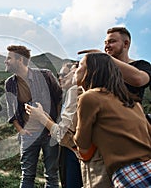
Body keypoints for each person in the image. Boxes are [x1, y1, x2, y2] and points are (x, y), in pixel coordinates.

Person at [26, 53, 151, 187]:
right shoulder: (131, 101)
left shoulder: (86, 96)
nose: (75, 70)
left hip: (113, 174)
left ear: (91, 71)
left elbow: (78, 143)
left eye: (79, 66)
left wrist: (42, 118)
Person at [4, 45, 62, 188]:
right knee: (27, 176)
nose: (5, 61)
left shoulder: (45, 75)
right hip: (28, 135)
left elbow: (60, 99)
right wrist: (21, 131)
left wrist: (55, 126)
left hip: (50, 134)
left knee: (52, 177)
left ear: (20, 60)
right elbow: (11, 112)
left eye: (9, 58)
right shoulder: (9, 84)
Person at [55, 62, 83, 188]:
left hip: (74, 150)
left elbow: (65, 130)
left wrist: (42, 118)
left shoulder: (75, 92)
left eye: (64, 74)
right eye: (59, 74)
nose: (60, 77)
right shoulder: (66, 94)